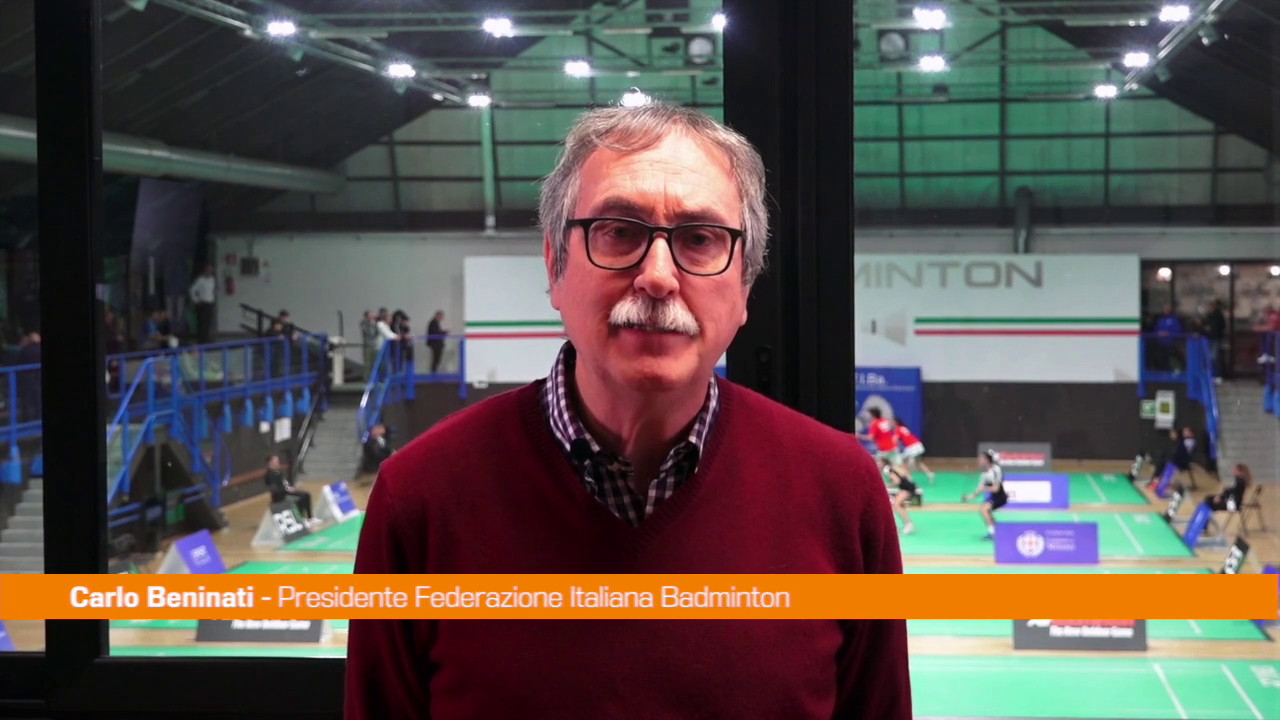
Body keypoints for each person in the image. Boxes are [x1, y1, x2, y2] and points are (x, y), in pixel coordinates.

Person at [345, 103, 911, 719]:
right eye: (618, 231)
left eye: (700, 239)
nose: (658, 277)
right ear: (554, 265)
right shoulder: (420, 498)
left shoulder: (841, 491)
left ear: (745, 286)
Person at [263, 454, 319, 529]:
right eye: (275, 461)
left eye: (278, 461)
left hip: (287, 492)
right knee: (300, 498)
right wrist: (287, 490)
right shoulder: (269, 475)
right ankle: (301, 519)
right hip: (280, 496)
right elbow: (276, 489)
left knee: (306, 495)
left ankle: (310, 518)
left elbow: (285, 484)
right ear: (270, 463)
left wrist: (293, 487)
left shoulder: (278, 472)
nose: (278, 463)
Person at [963, 449, 1006, 539]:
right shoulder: (984, 474)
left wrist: (985, 488)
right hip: (992, 497)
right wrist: (970, 496)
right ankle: (997, 530)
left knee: (984, 509)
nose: (979, 460)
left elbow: (996, 489)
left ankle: (992, 533)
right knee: (986, 511)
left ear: (987, 460)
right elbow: (980, 488)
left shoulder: (996, 470)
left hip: (1000, 497)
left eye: (981, 458)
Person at [856, 406, 898, 476]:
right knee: (895, 466)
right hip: (892, 447)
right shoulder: (884, 420)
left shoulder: (874, 423)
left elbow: (871, 438)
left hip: (884, 449)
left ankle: (882, 481)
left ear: (872, 414)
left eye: (869, 414)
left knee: (878, 466)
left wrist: (859, 436)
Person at [886, 463, 918, 534]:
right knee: (898, 506)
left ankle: (908, 524)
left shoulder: (891, 472)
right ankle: (905, 524)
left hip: (906, 488)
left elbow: (897, 481)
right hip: (909, 487)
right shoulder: (897, 469)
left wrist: (888, 485)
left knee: (896, 505)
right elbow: (907, 476)